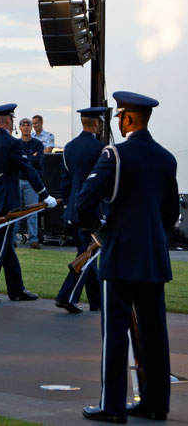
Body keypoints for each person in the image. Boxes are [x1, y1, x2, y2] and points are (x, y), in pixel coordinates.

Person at [78, 92, 177, 424]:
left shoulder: (115, 155)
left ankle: (112, 405)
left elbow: (83, 204)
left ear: (129, 119)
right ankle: (155, 402)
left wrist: (100, 234)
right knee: (154, 333)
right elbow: (170, 215)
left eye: (120, 117)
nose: (118, 123)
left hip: (120, 254)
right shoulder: (166, 158)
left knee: (116, 333)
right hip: (153, 256)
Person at [0, 104, 56, 304]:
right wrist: (44, 194)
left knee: (7, 245)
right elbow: (27, 169)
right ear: (9, 120)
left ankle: (16, 289)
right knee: (0, 245)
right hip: (7, 202)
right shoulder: (12, 143)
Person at [54, 107, 107, 314]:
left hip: (74, 209)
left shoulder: (69, 147)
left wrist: (69, 206)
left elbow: (65, 182)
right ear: (96, 123)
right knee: (88, 254)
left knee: (87, 253)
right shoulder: (101, 149)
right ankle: (66, 296)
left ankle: (97, 301)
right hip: (93, 210)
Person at [17, 118, 44, 249]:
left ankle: (33, 239)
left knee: (32, 212)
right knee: (15, 211)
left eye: (28, 125)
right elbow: (15, 162)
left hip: (31, 182)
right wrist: (29, 158)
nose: (26, 127)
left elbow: (38, 161)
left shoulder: (38, 144)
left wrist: (24, 160)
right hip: (17, 180)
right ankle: (12, 238)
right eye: (23, 125)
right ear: (20, 128)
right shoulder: (16, 144)